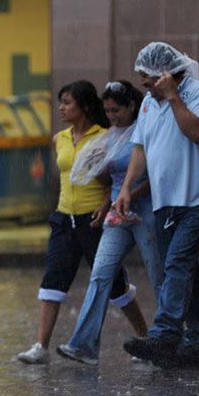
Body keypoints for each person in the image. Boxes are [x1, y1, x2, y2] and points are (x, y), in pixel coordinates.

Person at [114, 42, 199, 369]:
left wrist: (173, 96)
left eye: (147, 79)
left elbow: (196, 133)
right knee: (184, 270)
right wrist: (126, 189)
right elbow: (140, 149)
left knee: (177, 263)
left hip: (198, 197)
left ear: (165, 74)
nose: (143, 86)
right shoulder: (149, 106)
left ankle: (165, 333)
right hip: (166, 201)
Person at [16, 80, 144, 365]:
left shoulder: (105, 137)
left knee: (114, 285)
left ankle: (144, 334)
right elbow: (61, 178)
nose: (61, 108)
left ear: (84, 107)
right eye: (60, 102)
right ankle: (40, 345)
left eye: (67, 103)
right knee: (52, 279)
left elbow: (114, 179)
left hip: (94, 219)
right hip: (64, 218)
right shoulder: (58, 139)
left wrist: (105, 204)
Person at [57, 80, 162, 365]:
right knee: (101, 273)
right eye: (108, 111)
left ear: (131, 107)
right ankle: (84, 344)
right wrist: (98, 168)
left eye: (117, 110)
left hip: (145, 209)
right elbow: (107, 179)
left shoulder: (145, 131)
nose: (112, 116)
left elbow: (155, 177)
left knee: (158, 272)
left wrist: (129, 194)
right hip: (117, 212)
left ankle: (167, 337)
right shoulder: (111, 136)